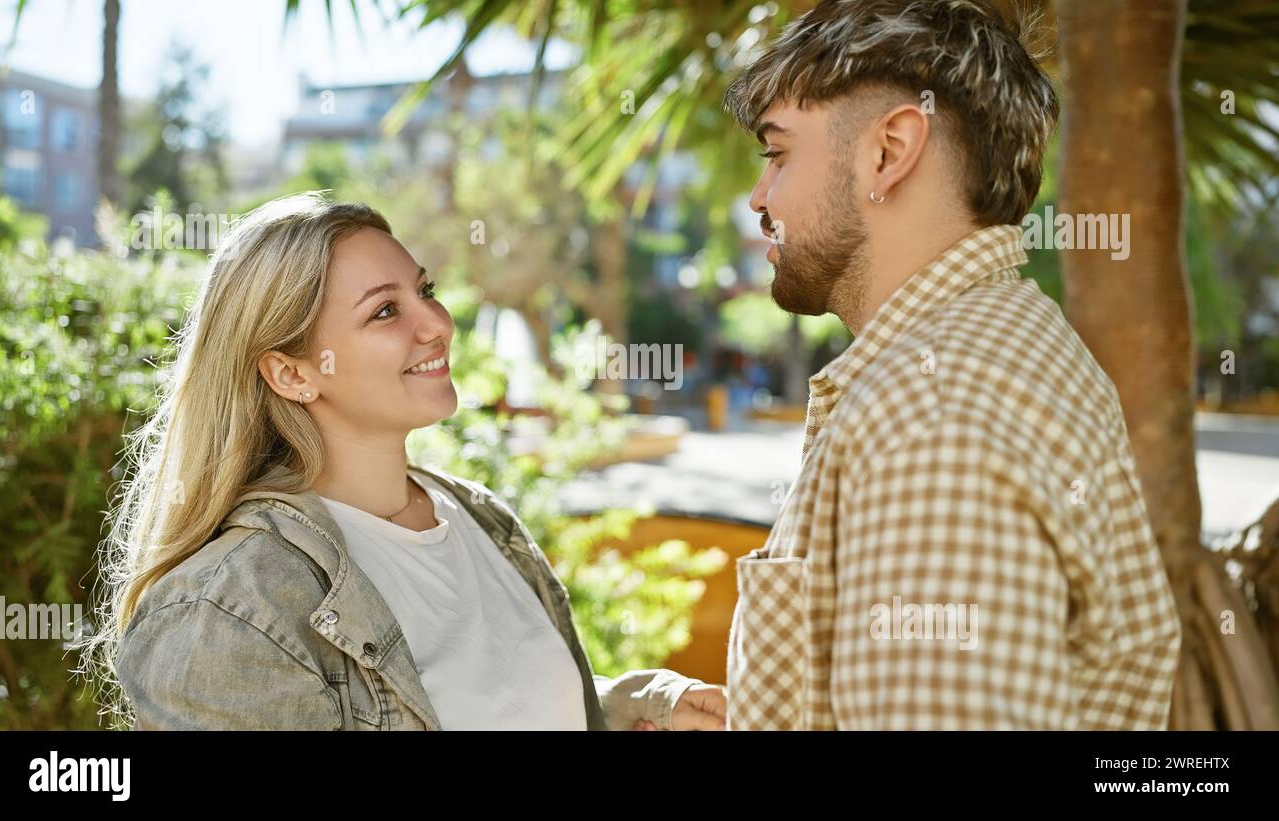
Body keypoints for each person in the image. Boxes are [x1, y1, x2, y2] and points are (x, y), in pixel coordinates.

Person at [83, 192, 727, 730]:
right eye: (385, 310)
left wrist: (620, 706)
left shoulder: (479, 518)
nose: (437, 324)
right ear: (291, 372)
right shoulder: (224, 610)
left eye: (426, 290)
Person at [722, 0, 1180, 729]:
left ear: (889, 151)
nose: (758, 196)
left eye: (778, 154)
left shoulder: (930, 413)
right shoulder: (1001, 347)